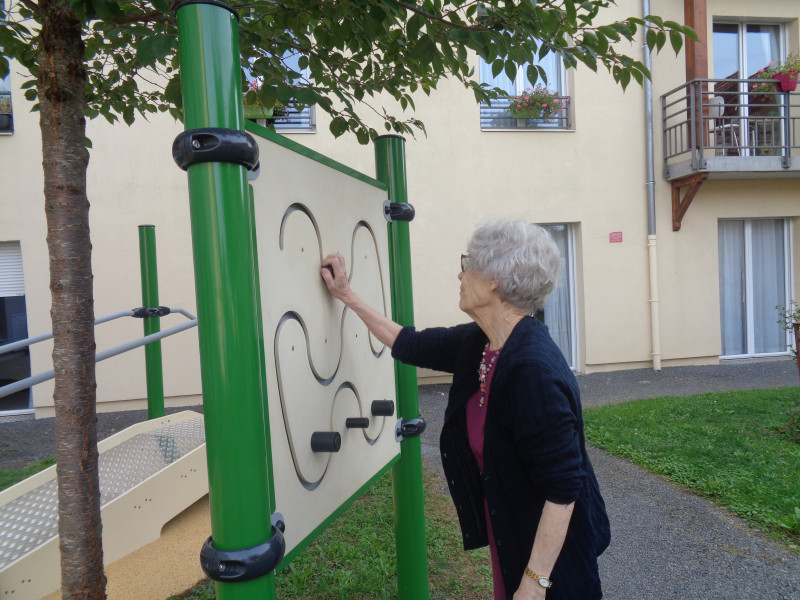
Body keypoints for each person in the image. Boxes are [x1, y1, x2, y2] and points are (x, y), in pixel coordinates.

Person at [321, 219, 610, 600]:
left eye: (467, 263)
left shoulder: (532, 371)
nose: (459, 273)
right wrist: (347, 296)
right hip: (512, 531)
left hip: (552, 558)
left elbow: (563, 490)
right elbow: (409, 342)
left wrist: (535, 583)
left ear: (495, 279)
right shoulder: (481, 343)